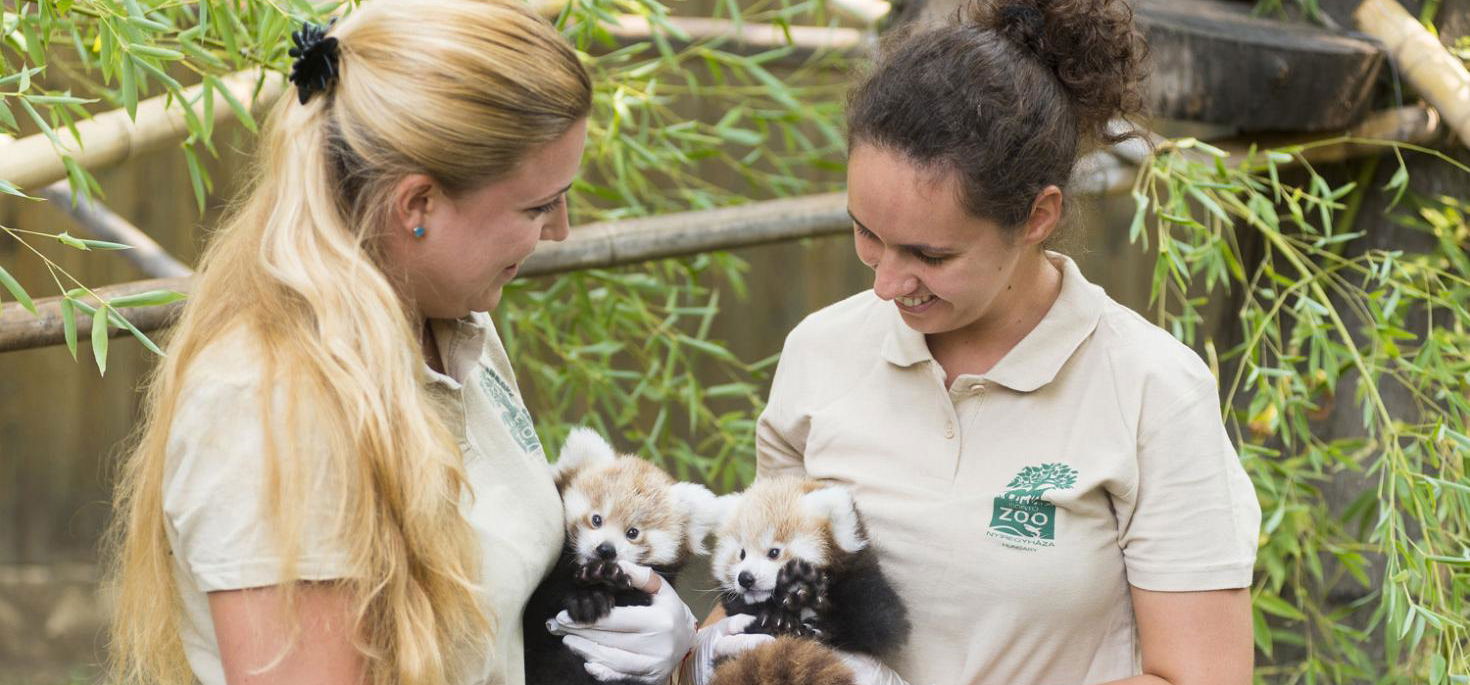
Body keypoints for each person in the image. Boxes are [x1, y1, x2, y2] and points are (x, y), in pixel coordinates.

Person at [104, 2, 695, 683]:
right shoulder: (270, 408)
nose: (560, 228)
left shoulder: (452, 318)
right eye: (536, 206)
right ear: (416, 206)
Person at [686, 0, 1262, 684]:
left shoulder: (1152, 390)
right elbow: (770, 598)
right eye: (867, 232)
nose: (887, 284)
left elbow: (1201, 675)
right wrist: (691, 654)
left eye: (929, 255)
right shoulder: (821, 352)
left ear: (1038, 216)